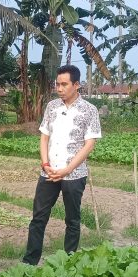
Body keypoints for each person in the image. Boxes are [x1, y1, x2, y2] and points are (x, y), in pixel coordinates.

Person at [22, 65, 102, 265]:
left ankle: (69, 263)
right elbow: (44, 137)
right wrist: (45, 163)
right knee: (38, 218)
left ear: (76, 85)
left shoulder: (89, 110)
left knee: (72, 220)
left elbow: (89, 144)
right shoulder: (52, 107)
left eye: (64, 84)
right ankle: (29, 263)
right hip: (49, 172)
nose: (59, 88)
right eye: (57, 84)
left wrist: (67, 169)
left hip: (74, 175)